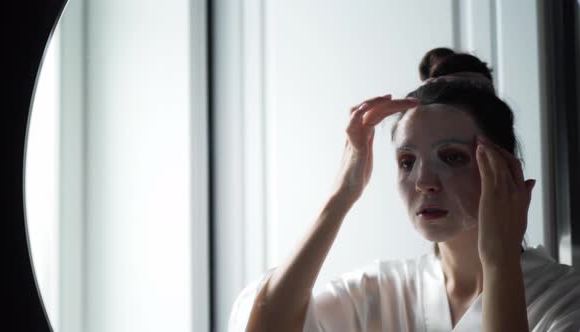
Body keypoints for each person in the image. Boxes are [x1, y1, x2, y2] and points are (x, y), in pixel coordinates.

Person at [228, 48, 580, 332]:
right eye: (407, 161)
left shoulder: (565, 299)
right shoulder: (381, 291)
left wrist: (500, 260)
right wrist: (341, 196)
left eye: (453, 157)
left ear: (505, 170)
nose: (424, 181)